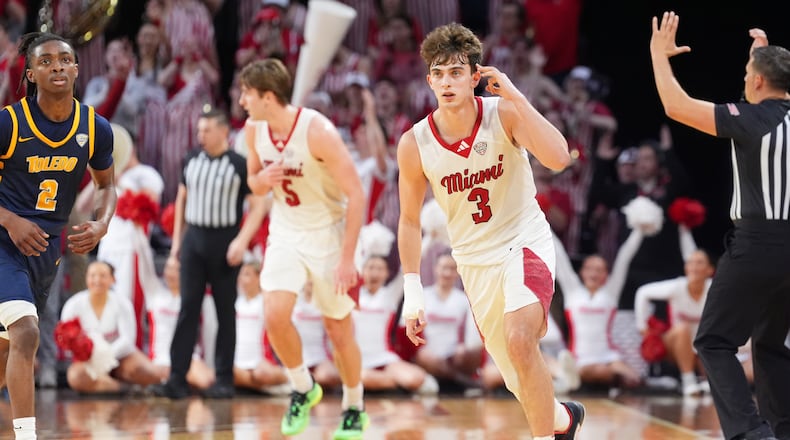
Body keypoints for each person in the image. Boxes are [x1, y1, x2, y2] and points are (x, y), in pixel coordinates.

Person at [396, 23, 584, 440]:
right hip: (474, 261)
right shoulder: (415, 143)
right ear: (429, 80)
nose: (447, 82)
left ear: (474, 76)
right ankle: (562, 420)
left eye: (456, 72)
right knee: (520, 378)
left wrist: (513, 93)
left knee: (521, 340)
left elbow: (557, 158)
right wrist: (413, 291)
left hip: (523, 242)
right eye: (439, 74)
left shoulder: (504, 113)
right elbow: (409, 220)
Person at [650, 12, 790, 440]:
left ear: (759, 83)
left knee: (713, 341)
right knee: (769, 345)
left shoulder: (750, 120)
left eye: (748, 74)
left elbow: (677, 106)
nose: (744, 81)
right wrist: (760, 57)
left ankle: (750, 433)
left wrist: (659, 55)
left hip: (757, 244)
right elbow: (765, 93)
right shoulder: (774, 116)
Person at [238, 57, 367, 439]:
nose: (242, 100)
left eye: (247, 93)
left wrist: (347, 259)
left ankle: (355, 406)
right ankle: (301, 387)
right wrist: (262, 179)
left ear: (266, 97)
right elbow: (253, 184)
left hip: (329, 233)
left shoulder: (318, 131)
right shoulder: (252, 130)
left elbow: (357, 195)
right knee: (274, 315)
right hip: (286, 232)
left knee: (338, 328)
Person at [0, 32, 117, 439]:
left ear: (77, 68)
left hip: (46, 250)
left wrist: (102, 223)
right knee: (27, 331)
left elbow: (106, 186)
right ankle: (27, 435)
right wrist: (10, 220)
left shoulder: (95, 127)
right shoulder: (8, 122)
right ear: (30, 73)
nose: (57, 67)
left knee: (5, 347)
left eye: (65, 60)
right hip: (3, 241)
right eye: (46, 61)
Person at [152, 109, 266, 400]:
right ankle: (177, 379)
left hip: (225, 242)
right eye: (199, 130)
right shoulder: (191, 160)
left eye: (206, 130)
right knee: (188, 308)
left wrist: (241, 241)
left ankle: (224, 380)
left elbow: (259, 206)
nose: (200, 135)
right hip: (194, 241)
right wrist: (177, 241)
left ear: (223, 132)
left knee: (225, 312)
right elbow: (182, 199)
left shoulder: (239, 165)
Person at [59, 261, 161, 393]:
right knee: (76, 378)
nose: (97, 280)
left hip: (120, 356)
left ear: (112, 279)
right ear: (86, 278)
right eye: (93, 275)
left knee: (147, 372)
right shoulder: (73, 305)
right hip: (88, 360)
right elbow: (66, 342)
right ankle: (122, 388)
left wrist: (105, 356)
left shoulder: (122, 303)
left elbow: (128, 341)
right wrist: (90, 355)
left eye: (103, 275)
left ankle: (118, 380)